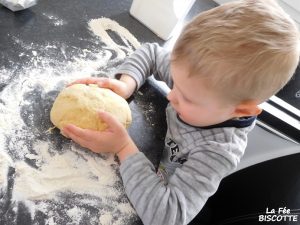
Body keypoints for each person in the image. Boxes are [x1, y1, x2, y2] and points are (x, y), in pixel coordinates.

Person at [62, 0, 300, 224]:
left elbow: (167, 216)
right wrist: (127, 83)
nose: (171, 94)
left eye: (186, 97)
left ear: (240, 110)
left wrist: (123, 148)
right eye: (176, 82)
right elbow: (151, 53)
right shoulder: (197, 80)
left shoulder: (216, 153)